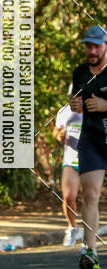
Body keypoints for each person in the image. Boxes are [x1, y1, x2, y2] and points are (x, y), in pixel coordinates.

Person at [70, 25, 107, 269]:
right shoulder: (81, 72)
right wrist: (75, 104)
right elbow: (76, 101)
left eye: (96, 46)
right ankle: (90, 250)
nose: (91, 50)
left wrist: (106, 105)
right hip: (92, 141)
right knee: (91, 194)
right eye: (88, 46)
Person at [53, 100, 83, 246]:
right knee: (68, 197)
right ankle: (72, 227)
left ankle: (90, 239)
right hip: (71, 161)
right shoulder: (65, 111)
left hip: (93, 160)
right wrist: (60, 135)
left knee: (92, 198)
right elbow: (56, 131)